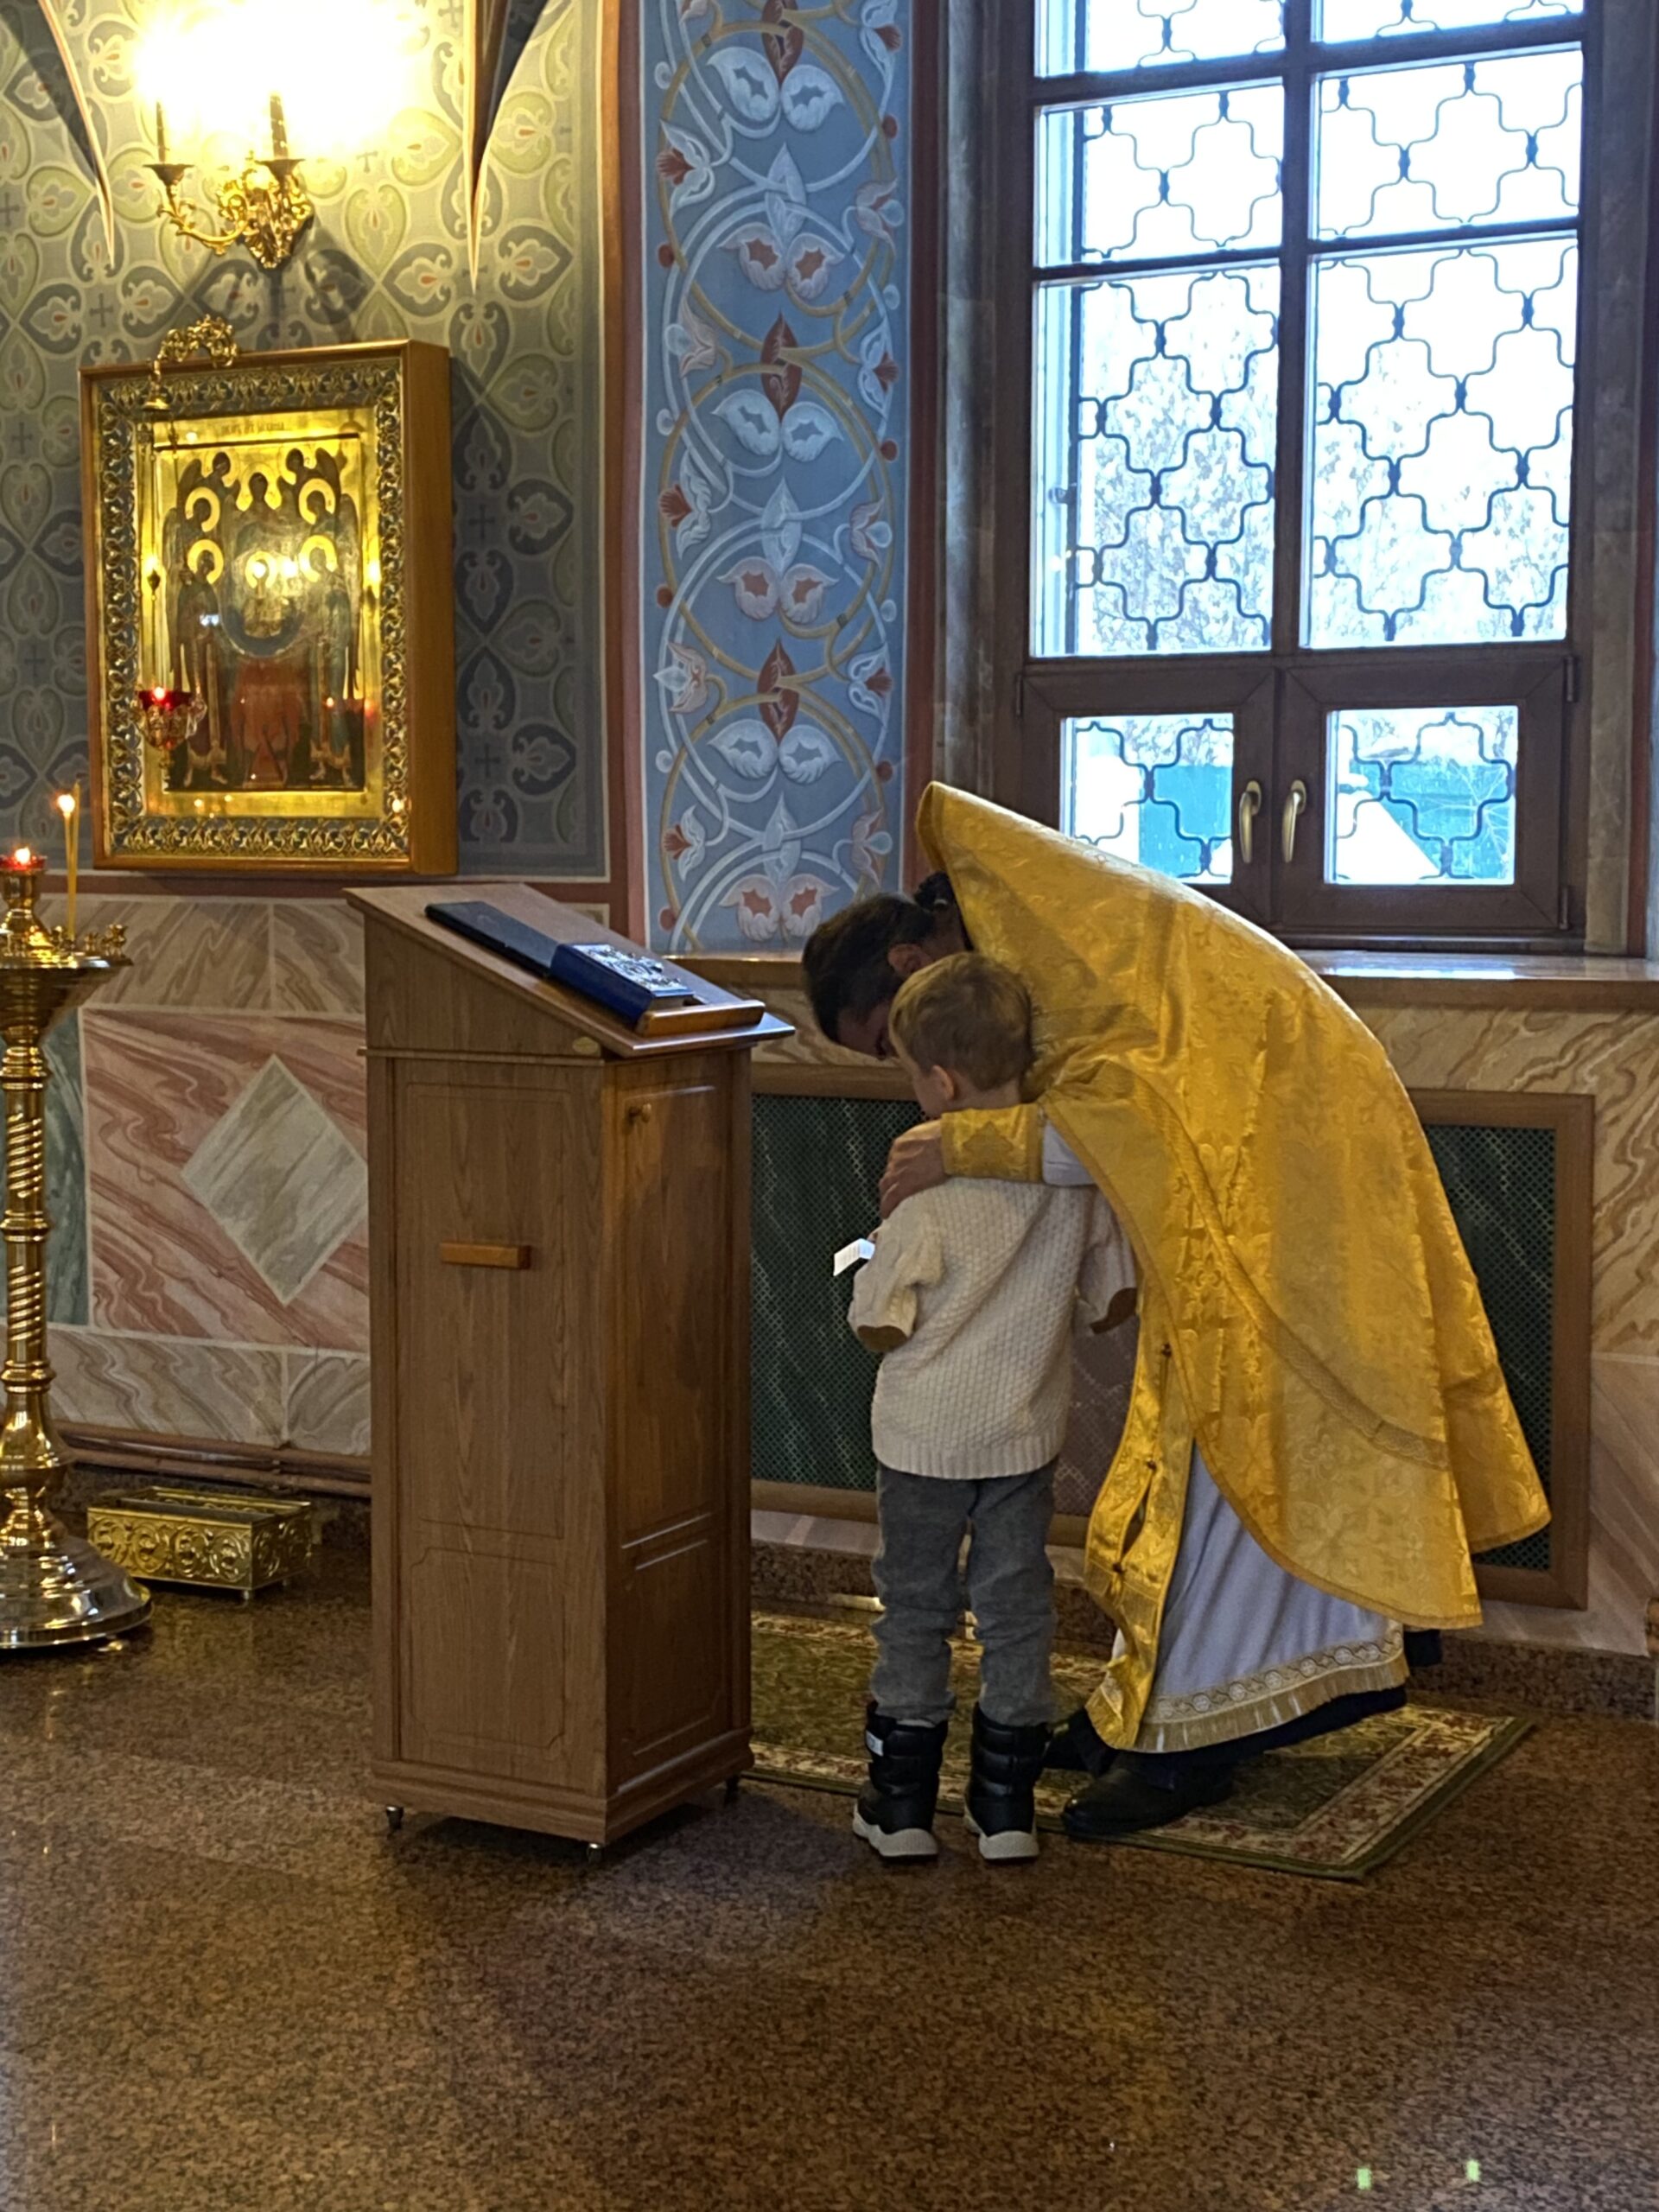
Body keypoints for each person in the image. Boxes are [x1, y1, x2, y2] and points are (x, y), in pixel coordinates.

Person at [806, 785, 1549, 1840]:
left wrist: (966, 1145)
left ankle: (1188, 1744)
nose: (910, 1076)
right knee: (1189, 1454)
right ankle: (1141, 1712)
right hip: (1256, 1180)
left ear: (908, 969)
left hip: (1289, 1181)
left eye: (890, 1043)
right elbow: (1135, 1119)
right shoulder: (1028, 945)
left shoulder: (1041, 946)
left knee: (1232, 1455)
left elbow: (1143, 1127)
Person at [845, 953, 1129, 1864]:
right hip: (1023, 1435)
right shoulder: (1067, 1184)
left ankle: (899, 1807)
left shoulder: (929, 1192)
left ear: (940, 1080)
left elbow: (880, 1315)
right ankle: (1005, 1807)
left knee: (916, 1606)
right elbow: (1111, 1292)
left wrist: (861, 1273)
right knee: (1016, 1607)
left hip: (924, 1439)